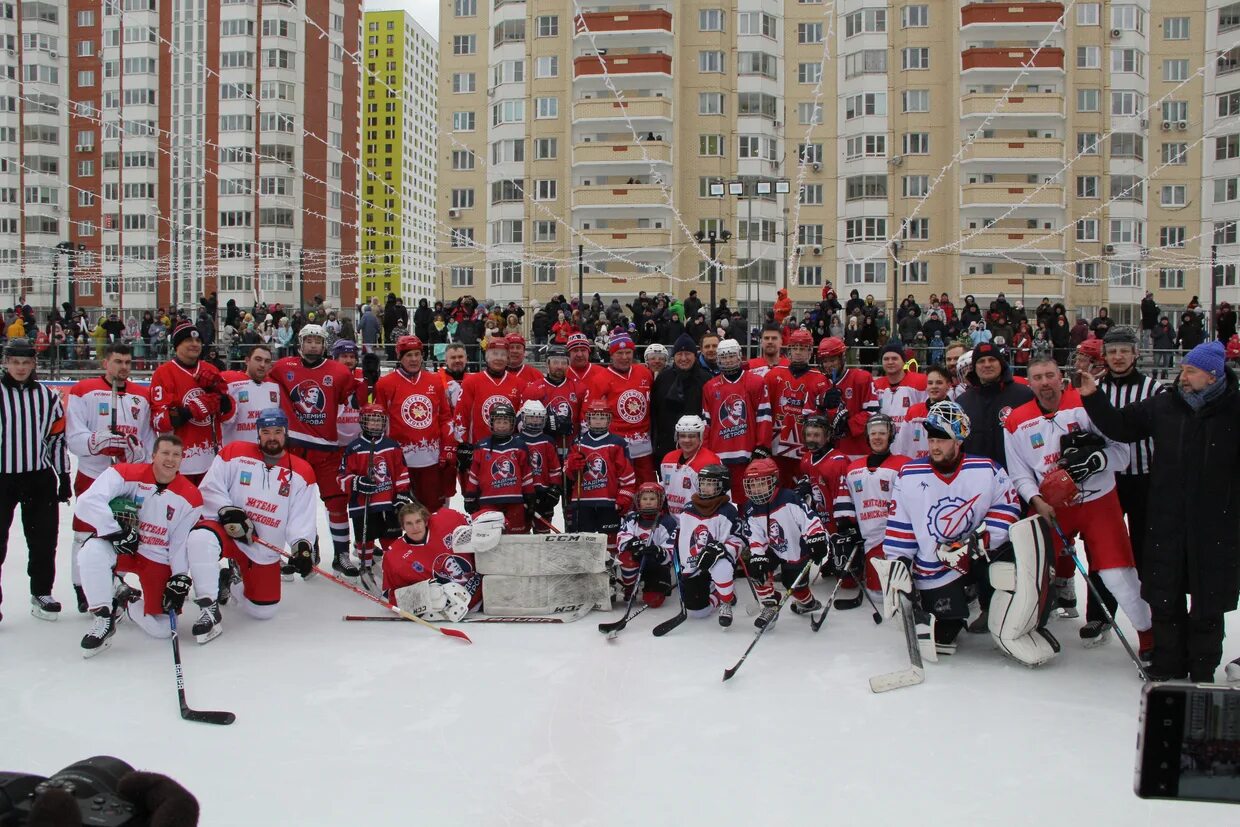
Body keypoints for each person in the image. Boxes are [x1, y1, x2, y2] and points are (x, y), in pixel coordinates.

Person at [1078, 341, 1240, 681]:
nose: (1183, 376)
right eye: (1183, 369)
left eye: (1191, 371)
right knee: (1165, 598)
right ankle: (1168, 665)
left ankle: (1202, 669)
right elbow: (1121, 426)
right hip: (1167, 518)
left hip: (1216, 525)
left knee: (1207, 603)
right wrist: (1093, 396)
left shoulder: (1234, 410)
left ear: (1212, 376)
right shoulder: (1165, 405)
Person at [1004, 356, 1153, 659]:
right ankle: (1029, 625)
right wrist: (1037, 500)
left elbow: (1122, 455)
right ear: (1029, 383)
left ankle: (1149, 635)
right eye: (1037, 377)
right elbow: (1019, 473)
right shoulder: (1016, 420)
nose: (1044, 383)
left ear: (1061, 378)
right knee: (1033, 571)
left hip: (1099, 500)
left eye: (1050, 375)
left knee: (1117, 575)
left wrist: (1097, 460)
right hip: (1052, 505)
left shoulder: (1086, 403)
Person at [877, 401, 1021, 656]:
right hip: (935, 566)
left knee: (1009, 564)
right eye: (931, 438)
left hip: (979, 557)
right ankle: (954, 607)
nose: (934, 445)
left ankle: (994, 606)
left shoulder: (986, 469)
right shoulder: (909, 474)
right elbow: (901, 526)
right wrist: (899, 563)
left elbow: (1008, 508)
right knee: (943, 639)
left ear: (958, 440)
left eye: (942, 439)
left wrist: (976, 543)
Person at [182, 409, 319, 642]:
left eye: (277, 431)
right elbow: (210, 488)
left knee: (263, 611)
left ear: (286, 433)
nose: (272, 437)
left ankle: (230, 580)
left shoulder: (302, 471)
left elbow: (301, 518)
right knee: (199, 538)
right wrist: (227, 511)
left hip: (262, 546)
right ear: (258, 433)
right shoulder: (234, 452)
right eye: (266, 432)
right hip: (227, 532)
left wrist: (302, 548)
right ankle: (208, 606)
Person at [75, 435, 203, 654]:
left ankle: (127, 601)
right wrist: (115, 531)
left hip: (157, 556)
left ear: (182, 459)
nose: (170, 460)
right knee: (90, 552)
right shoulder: (125, 474)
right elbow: (86, 502)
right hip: (124, 547)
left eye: (176, 455)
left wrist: (179, 577)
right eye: (164, 453)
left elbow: (180, 542)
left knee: (164, 629)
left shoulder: (191, 497)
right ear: (153, 455)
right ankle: (103, 618)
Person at [1079, 327, 1163, 644]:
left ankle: (1154, 617)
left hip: (1145, 479)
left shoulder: (1155, 389)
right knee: (1102, 549)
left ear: (1135, 354)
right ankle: (1100, 616)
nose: (1118, 356)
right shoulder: (1094, 388)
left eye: (1124, 351)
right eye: (1112, 351)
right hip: (1105, 482)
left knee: (1146, 550)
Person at [65, 343, 153, 612]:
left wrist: (141, 459)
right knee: (86, 532)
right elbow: (74, 436)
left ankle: (116, 582)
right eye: (117, 362)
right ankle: (82, 587)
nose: (123, 367)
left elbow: (148, 438)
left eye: (127, 362)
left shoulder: (142, 395)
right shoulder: (84, 391)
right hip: (93, 474)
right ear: (106, 363)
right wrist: (94, 442)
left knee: (123, 529)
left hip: (125, 478)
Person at [271, 323, 360, 575]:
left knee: (336, 502)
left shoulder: (339, 371)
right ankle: (307, 548)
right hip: (294, 449)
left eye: (317, 341)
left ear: (324, 346)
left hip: (327, 450)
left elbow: (352, 401)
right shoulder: (283, 367)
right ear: (300, 343)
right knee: (292, 505)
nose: (313, 345)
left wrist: (367, 382)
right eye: (308, 340)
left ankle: (341, 554)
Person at [0, 338, 70, 622]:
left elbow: (56, 440)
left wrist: (64, 475)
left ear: (33, 364)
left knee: (43, 539)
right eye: (15, 362)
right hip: (2, 477)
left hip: (38, 477)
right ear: (6, 363)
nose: (20, 367)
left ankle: (41, 592)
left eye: (26, 362)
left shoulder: (47, 396)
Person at [833, 414, 911, 611]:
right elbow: (845, 503)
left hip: (899, 538)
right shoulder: (853, 469)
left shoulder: (905, 465)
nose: (877, 437)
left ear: (891, 435)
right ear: (867, 437)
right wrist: (848, 529)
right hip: (869, 538)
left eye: (882, 433)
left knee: (897, 592)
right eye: (873, 433)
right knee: (877, 593)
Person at [742, 458, 829, 628]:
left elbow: (809, 520)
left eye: (761, 483)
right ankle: (770, 604)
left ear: (773, 481)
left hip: (795, 549)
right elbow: (755, 536)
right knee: (756, 569)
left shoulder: (789, 498)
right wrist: (757, 556)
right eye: (752, 484)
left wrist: (816, 538)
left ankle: (807, 602)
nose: (756, 488)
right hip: (773, 549)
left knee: (794, 585)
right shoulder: (751, 508)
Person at [373, 335, 455, 511]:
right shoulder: (385, 384)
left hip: (430, 460)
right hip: (399, 461)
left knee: (432, 511)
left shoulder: (434, 381)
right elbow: (378, 421)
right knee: (398, 514)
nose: (414, 359)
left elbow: (445, 418)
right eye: (409, 355)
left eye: (417, 354)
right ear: (400, 357)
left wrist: (447, 447)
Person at [149, 322, 233, 483]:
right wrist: (190, 411)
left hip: (211, 458)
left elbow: (228, 414)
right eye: (188, 340)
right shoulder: (163, 373)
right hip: (179, 461)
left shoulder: (211, 369)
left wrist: (222, 400)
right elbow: (159, 421)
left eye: (198, 341)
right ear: (177, 345)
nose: (195, 344)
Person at [337, 405, 411, 576]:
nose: (376, 424)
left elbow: (402, 473)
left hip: (388, 502)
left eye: (379, 421)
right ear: (363, 422)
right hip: (362, 505)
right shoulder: (353, 448)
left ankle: (395, 567)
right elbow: (341, 477)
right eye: (372, 420)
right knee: (366, 539)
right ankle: (366, 567)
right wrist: (357, 482)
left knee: (391, 538)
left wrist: (401, 496)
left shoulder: (392, 446)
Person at [701, 339, 772, 506]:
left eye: (731, 356)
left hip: (747, 455)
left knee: (748, 501)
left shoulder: (756, 382)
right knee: (721, 503)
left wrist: (762, 446)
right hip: (719, 455)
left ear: (740, 356)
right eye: (724, 357)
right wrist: (705, 451)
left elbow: (764, 416)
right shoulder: (710, 386)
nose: (728, 360)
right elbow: (707, 422)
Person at [672, 464, 744, 627]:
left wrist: (723, 549)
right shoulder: (688, 508)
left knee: (721, 566)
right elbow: (684, 539)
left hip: (717, 563)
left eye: (711, 483)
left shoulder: (729, 510)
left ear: (722, 486)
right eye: (703, 482)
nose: (705, 487)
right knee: (698, 612)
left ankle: (725, 595)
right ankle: (717, 594)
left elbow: (739, 540)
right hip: (694, 565)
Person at [580, 333, 657, 484]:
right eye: (619, 353)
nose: (624, 357)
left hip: (643, 443)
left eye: (628, 352)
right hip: (615, 443)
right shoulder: (600, 379)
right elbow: (586, 413)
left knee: (646, 485)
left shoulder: (644, 373)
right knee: (619, 484)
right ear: (611, 355)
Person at [382, 501, 480, 619]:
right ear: (403, 527)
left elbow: (478, 521)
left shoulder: (447, 519)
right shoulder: (394, 557)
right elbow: (390, 596)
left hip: (486, 593)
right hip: (451, 614)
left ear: (425, 521)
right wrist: (422, 596)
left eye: (418, 521)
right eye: (409, 523)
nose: (415, 527)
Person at [564, 401, 636, 555]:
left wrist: (624, 498)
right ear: (588, 419)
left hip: (608, 502)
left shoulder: (618, 443)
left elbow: (627, 475)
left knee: (610, 541)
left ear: (609, 419)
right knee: (583, 542)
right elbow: (569, 475)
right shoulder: (578, 442)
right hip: (583, 502)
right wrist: (571, 465)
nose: (598, 420)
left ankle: (609, 569)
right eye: (594, 417)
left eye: (602, 417)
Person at [453, 337, 527, 486]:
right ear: (487, 357)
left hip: (509, 453)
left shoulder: (519, 384)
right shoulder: (471, 382)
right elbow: (461, 416)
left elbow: (521, 421)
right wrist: (462, 446)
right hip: (478, 451)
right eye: (494, 354)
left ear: (507, 358)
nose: (498, 358)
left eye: (502, 354)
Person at [957, 341, 1033, 472]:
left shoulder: (1024, 395)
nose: (987, 365)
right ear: (974, 367)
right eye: (981, 361)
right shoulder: (962, 402)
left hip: (1018, 479)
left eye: (992, 359)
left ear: (1001, 363)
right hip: (977, 481)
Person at [766, 330, 828, 486]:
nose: (798, 352)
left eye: (803, 348)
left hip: (806, 445)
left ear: (810, 352)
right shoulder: (773, 375)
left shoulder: (820, 379)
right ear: (789, 350)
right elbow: (764, 410)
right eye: (795, 348)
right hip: (776, 444)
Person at [463, 402, 535, 533]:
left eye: (505, 422)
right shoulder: (482, 446)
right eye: (498, 422)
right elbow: (474, 475)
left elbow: (526, 475)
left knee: (517, 538)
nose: (502, 426)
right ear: (492, 423)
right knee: (489, 537)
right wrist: (470, 496)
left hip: (515, 502)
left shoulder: (520, 445)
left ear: (512, 424)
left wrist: (530, 497)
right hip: (488, 502)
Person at [816, 335, 879, 460]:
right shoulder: (818, 383)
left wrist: (848, 424)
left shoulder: (861, 378)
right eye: (825, 361)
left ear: (842, 358)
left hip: (857, 452)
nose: (829, 365)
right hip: (829, 453)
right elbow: (808, 415)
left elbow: (872, 412)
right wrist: (820, 402)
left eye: (833, 360)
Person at [651, 334, 712, 461]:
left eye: (688, 354)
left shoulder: (706, 379)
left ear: (695, 356)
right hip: (667, 445)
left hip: (698, 444)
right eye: (679, 354)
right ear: (674, 356)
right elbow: (654, 413)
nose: (683, 358)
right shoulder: (663, 379)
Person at [615, 482, 677, 608]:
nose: (648, 502)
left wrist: (658, 551)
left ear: (660, 500)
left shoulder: (667, 521)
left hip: (657, 565)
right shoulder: (632, 517)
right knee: (626, 557)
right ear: (638, 500)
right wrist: (633, 544)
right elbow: (622, 538)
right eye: (644, 499)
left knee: (653, 601)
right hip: (637, 561)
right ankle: (630, 587)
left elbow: (671, 550)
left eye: (652, 499)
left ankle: (649, 586)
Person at [218, 344, 281, 445]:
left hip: (264, 453)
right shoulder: (228, 380)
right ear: (247, 361)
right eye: (258, 359)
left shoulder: (275, 385)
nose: (262, 365)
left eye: (267, 361)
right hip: (235, 453)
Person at [659, 414, 721, 516]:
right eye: (683, 436)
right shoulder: (668, 459)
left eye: (692, 436)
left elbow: (720, 499)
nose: (687, 440)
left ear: (700, 437)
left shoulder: (710, 462)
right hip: (673, 526)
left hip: (699, 522)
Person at [519, 400, 563, 533]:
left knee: (543, 534)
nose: (534, 421)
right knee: (521, 534)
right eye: (531, 417)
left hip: (544, 494)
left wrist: (554, 489)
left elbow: (554, 469)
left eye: (538, 418)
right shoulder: (517, 441)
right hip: (523, 494)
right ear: (523, 418)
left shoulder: (548, 441)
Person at [891, 364, 950, 460]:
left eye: (939, 383)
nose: (934, 386)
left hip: (945, 468)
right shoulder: (914, 411)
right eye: (930, 383)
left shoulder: (956, 412)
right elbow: (901, 447)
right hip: (917, 469)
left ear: (948, 385)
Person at [874, 341, 928, 445]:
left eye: (894, 358)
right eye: (886, 359)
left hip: (912, 443)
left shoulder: (920, 381)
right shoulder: (876, 385)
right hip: (885, 444)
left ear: (903, 362)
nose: (890, 362)